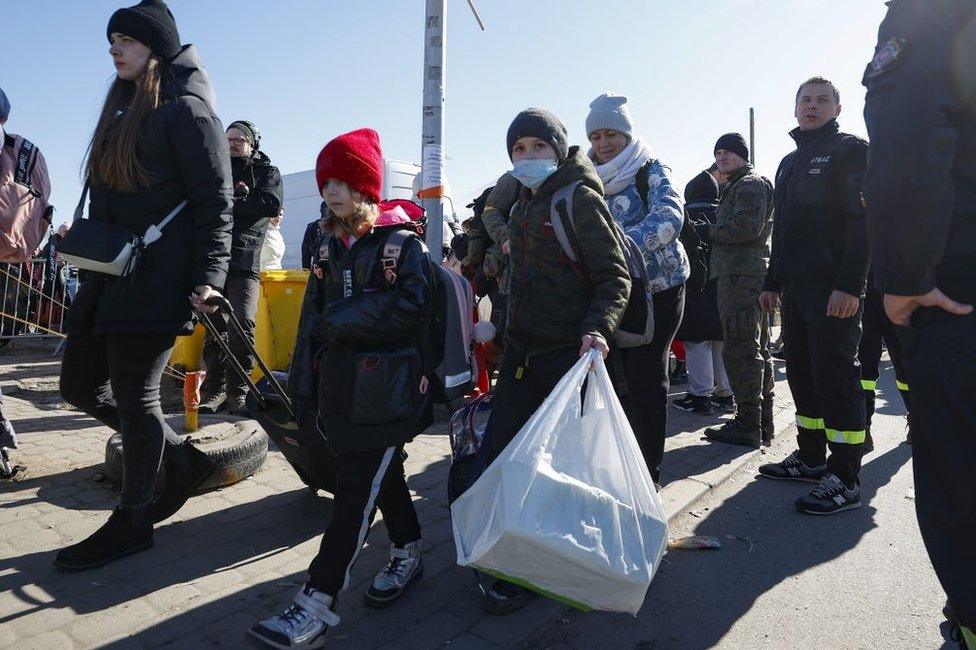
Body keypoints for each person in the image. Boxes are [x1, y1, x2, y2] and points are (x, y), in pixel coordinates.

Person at [54, 0, 232, 571]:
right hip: (109, 276)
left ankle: (134, 520)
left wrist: (209, 279)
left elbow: (216, 205)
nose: (114, 48)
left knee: (136, 396)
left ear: (155, 47)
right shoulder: (125, 110)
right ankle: (180, 462)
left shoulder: (188, 112)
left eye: (125, 39)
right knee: (80, 383)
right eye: (111, 39)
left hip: (159, 280)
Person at [251, 129, 431, 648]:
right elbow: (311, 323)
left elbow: (416, 308)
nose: (331, 190)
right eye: (326, 179)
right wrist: (303, 393)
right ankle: (409, 549)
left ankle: (317, 601)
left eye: (344, 181)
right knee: (381, 473)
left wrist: (346, 316)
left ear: (367, 188)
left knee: (354, 495)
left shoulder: (402, 245)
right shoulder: (327, 246)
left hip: (389, 394)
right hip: (342, 393)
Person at [479, 108, 630, 615]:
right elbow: (518, 278)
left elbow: (615, 276)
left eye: (537, 147)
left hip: (567, 357)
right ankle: (513, 554)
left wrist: (597, 329)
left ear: (559, 149)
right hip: (521, 354)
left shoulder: (578, 200)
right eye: (518, 149)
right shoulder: (521, 206)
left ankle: (542, 561)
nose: (527, 157)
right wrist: (497, 326)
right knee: (507, 455)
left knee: (556, 467)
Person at [863, 2, 976, 645]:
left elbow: (909, 137)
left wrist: (905, 278)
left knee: (961, 483)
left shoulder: (930, 13)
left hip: (956, 287)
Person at [757, 77, 870, 515]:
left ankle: (845, 476)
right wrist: (772, 281)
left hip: (833, 290)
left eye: (822, 99)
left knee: (836, 377)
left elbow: (863, 224)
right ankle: (810, 457)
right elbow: (781, 229)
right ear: (795, 107)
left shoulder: (849, 151)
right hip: (795, 290)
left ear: (838, 107)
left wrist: (850, 286)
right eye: (805, 99)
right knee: (802, 375)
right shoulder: (788, 161)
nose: (812, 105)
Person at [585, 92, 688, 485]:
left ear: (627, 135)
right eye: (596, 136)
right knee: (614, 378)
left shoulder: (650, 169)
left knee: (647, 377)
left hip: (661, 290)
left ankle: (647, 475)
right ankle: (618, 465)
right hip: (618, 291)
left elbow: (669, 217)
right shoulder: (589, 178)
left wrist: (617, 250)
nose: (603, 143)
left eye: (611, 133)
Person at [199, 119, 283, 415]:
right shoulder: (215, 168)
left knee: (242, 325)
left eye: (239, 139)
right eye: (228, 138)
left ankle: (239, 392)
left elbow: (271, 203)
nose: (232, 143)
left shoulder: (266, 172)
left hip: (245, 261)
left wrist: (235, 200)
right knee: (213, 326)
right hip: (214, 260)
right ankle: (213, 391)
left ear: (252, 143)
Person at [700, 134, 775, 448]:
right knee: (755, 348)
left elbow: (746, 227)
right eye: (718, 151)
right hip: (743, 275)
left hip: (741, 277)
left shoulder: (748, 184)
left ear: (742, 154)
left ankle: (748, 424)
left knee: (741, 348)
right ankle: (761, 421)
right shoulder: (740, 183)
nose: (722, 156)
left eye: (729, 151)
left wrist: (708, 230)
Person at [673, 165, 733, 416]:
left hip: (695, 289)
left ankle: (700, 396)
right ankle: (726, 394)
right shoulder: (726, 215)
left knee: (697, 344)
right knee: (720, 343)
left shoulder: (683, 216)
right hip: (724, 288)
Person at [858, 277, 911, 449]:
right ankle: (863, 426)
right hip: (867, 299)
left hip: (899, 295)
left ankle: (917, 419)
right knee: (864, 370)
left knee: (905, 369)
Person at [301, 202, 327, 270]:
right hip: (318, 266)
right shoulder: (312, 227)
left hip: (334, 266)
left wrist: (305, 267)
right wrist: (306, 268)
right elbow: (305, 249)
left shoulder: (339, 227)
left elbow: (305, 249)